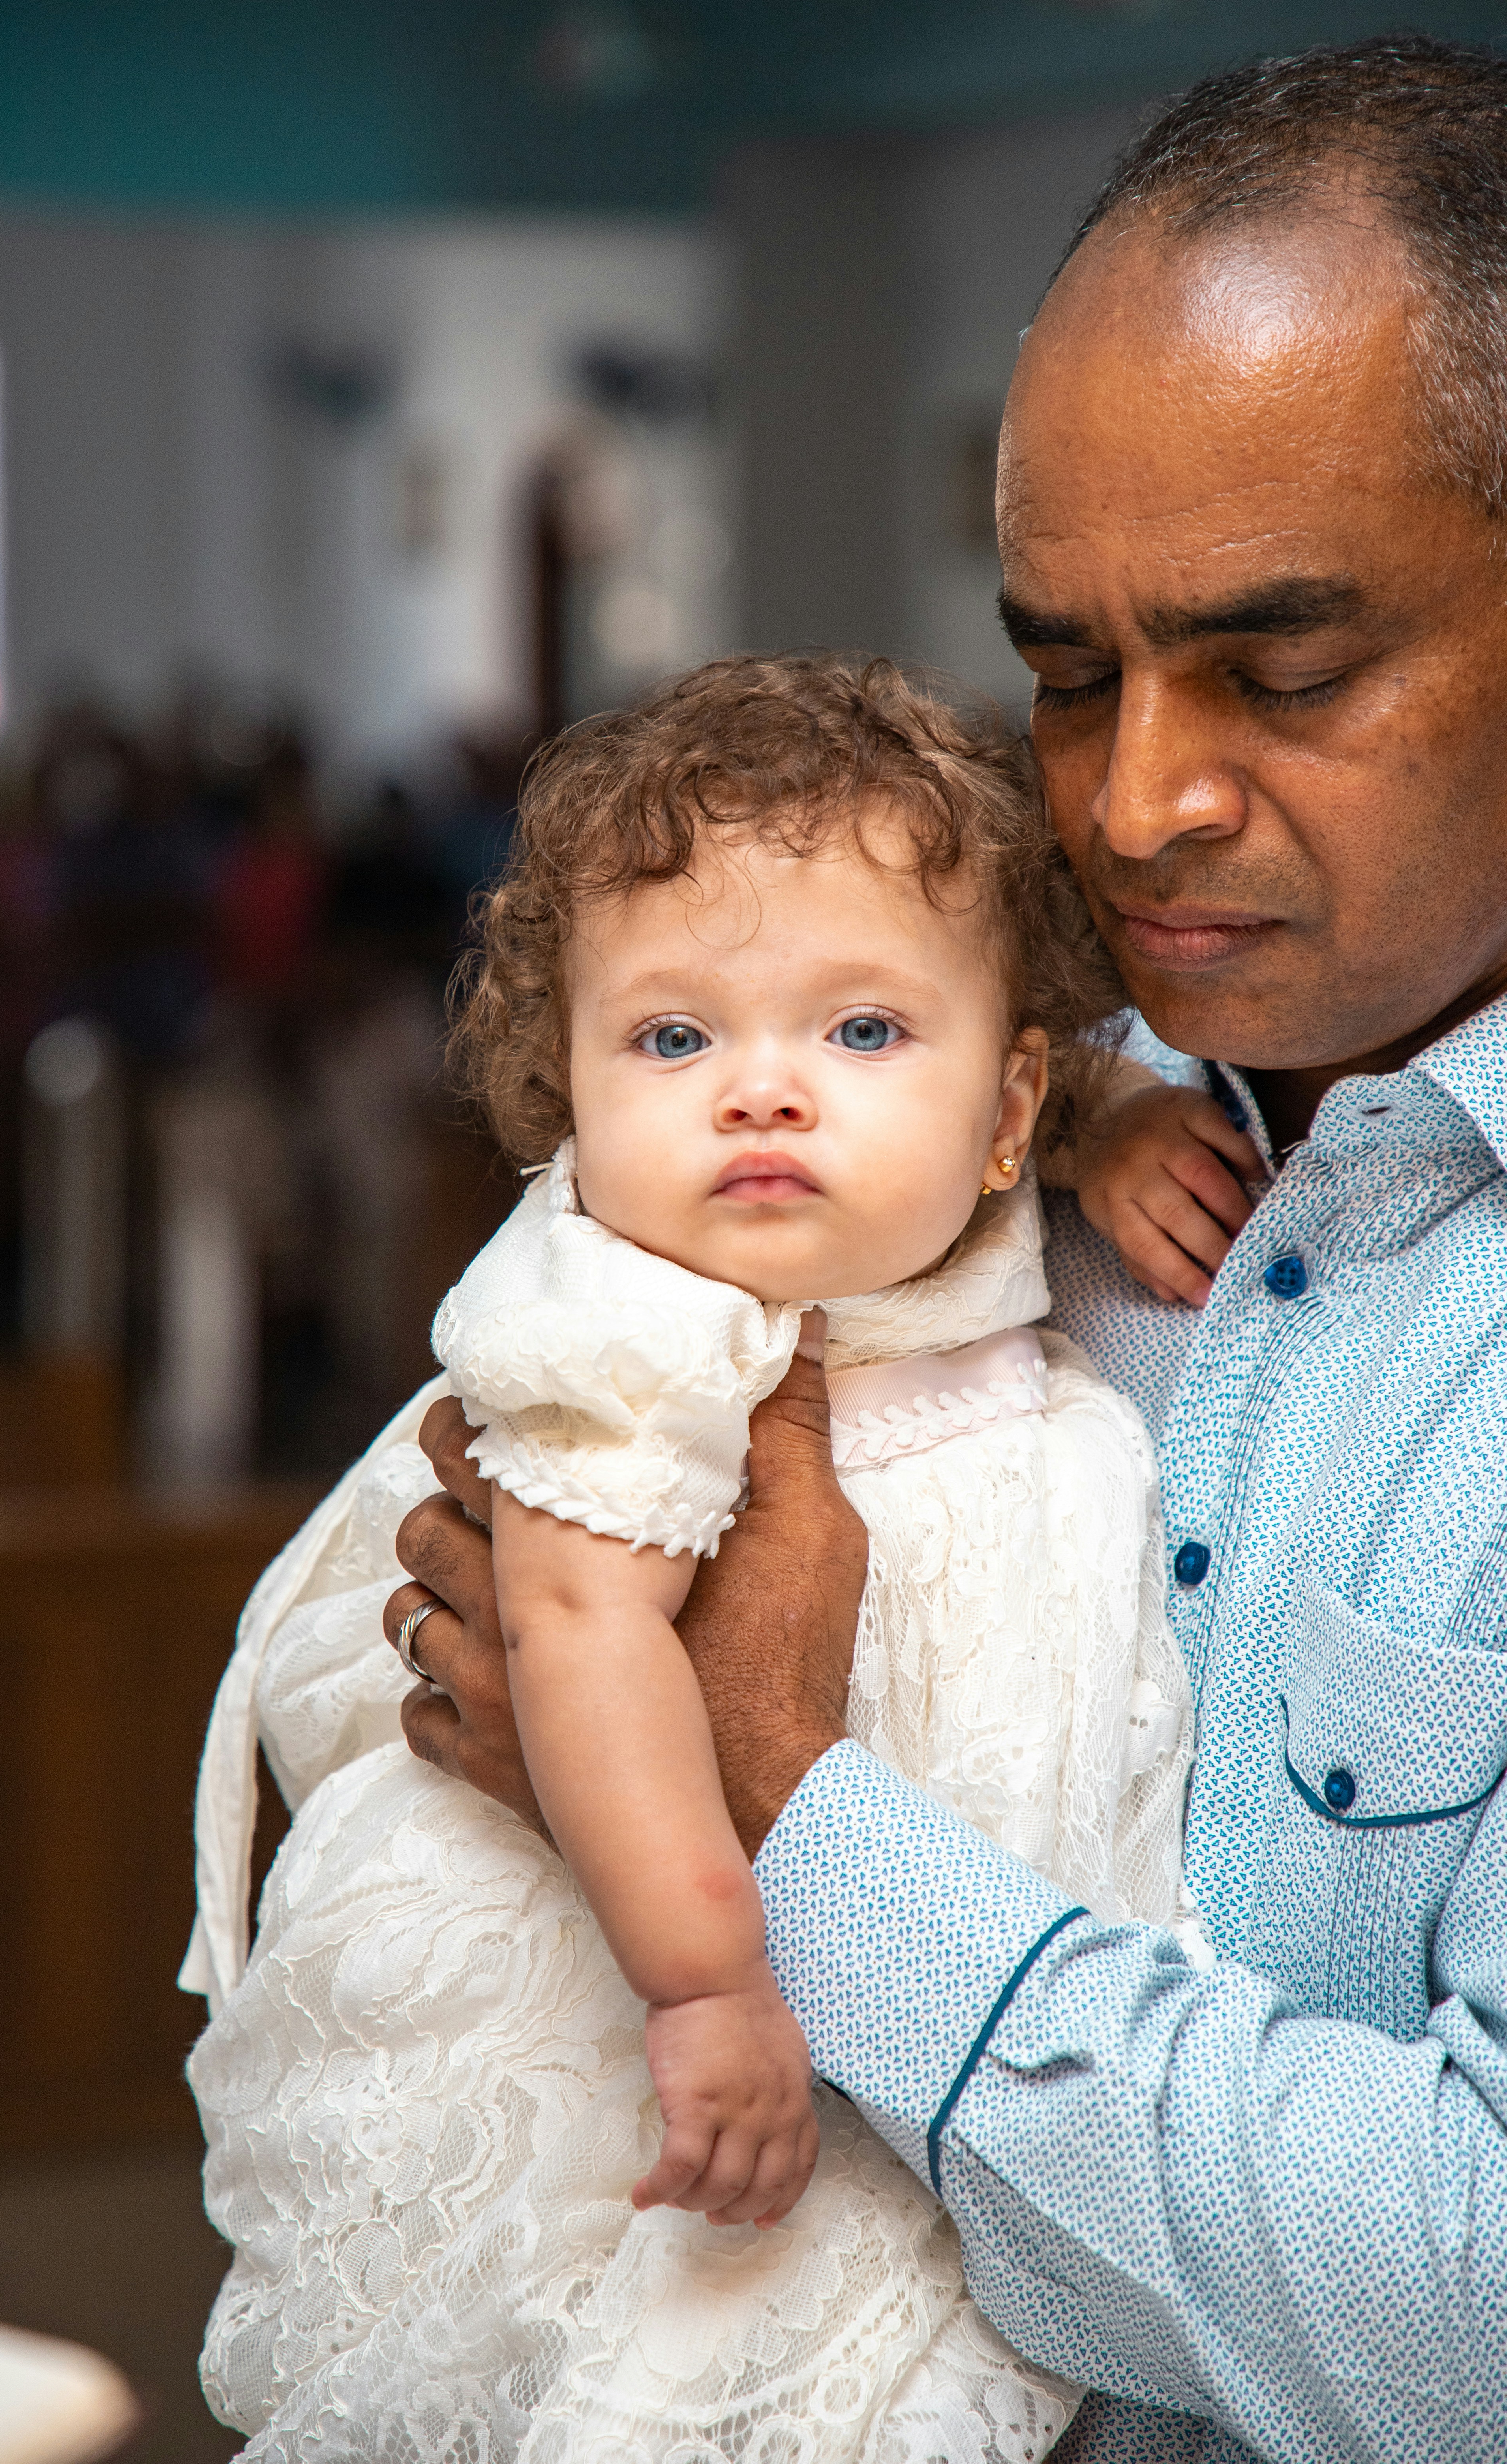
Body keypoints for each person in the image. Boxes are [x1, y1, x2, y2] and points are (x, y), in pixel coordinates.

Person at [384, 36, 1507, 2464]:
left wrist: (779, 1801)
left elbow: (1483, 2293)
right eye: (1067, 673)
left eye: (1285, 672)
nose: (1135, 801)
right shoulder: (976, 1111)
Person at [183, 656, 1197, 2460]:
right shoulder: (626, 1319)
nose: (763, 1093)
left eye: (859, 1032)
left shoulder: (964, 1214)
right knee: (641, 2314)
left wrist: (1109, 1125)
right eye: (672, 1041)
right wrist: (708, 1987)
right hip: (638, 1957)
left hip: (934, 1977)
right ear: (569, 1098)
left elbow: (1013, 1045)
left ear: (1007, 1114)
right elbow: (579, 1631)